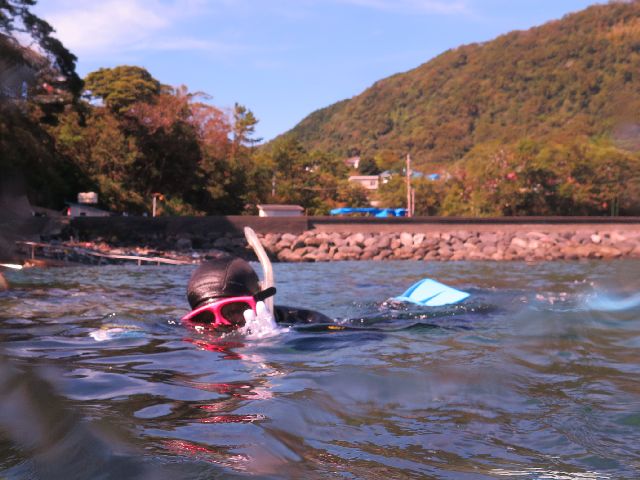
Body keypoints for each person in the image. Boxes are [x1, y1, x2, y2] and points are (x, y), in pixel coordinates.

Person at [182, 256, 331, 332]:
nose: (220, 326)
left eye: (233, 312)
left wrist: (278, 342)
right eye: (206, 318)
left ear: (262, 296)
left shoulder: (310, 321)